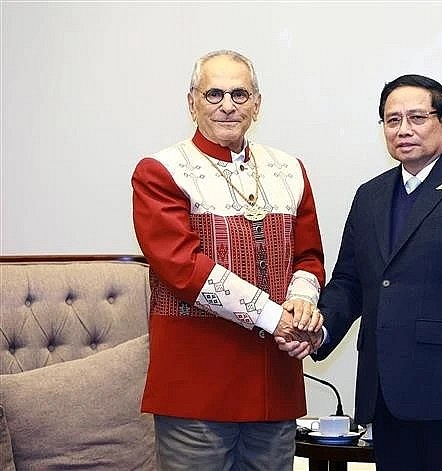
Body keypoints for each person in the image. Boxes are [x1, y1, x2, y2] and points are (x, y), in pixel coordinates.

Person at [279, 74, 442, 470]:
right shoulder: (370, 195)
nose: (404, 129)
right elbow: (349, 282)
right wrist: (319, 329)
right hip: (388, 399)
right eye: (392, 120)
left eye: (417, 117)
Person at [131, 49, 324, 471]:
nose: (227, 105)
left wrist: (303, 304)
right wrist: (277, 317)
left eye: (239, 94)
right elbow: (185, 269)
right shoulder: (160, 170)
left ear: (257, 104)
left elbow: (307, 255)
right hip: (196, 388)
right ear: (192, 102)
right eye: (214, 93)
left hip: (275, 383)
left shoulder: (289, 168)